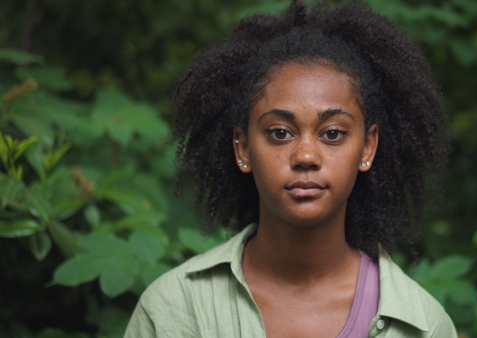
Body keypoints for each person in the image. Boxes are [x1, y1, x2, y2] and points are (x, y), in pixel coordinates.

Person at [125, 0, 456, 337]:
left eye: (333, 133)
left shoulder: (423, 326)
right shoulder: (174, 309)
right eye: (280, 133)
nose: (306, 156)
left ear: (367, 147)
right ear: (243, 148)